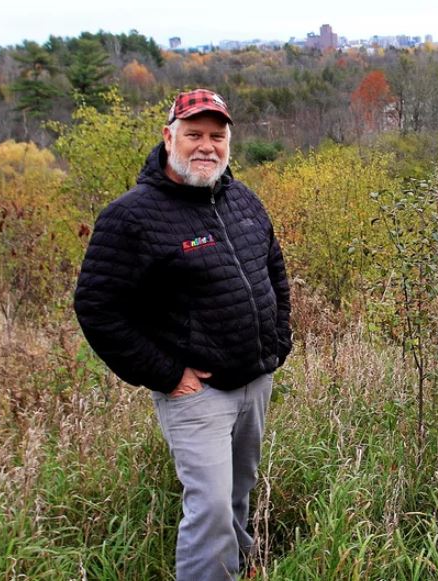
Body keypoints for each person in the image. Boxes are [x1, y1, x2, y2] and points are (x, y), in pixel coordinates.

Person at [74, 89, 293, 579]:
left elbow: (272, 268)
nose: (206, 146)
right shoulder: (131, 216)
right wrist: (168, 373)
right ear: (168, 136)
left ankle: (238, 566)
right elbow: (97, 308)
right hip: (198, 394)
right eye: (194, 134)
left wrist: (279, 342)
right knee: (211, 507)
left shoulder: (241, 199)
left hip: (255, 380)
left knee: (238, 490)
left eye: (217, 136)